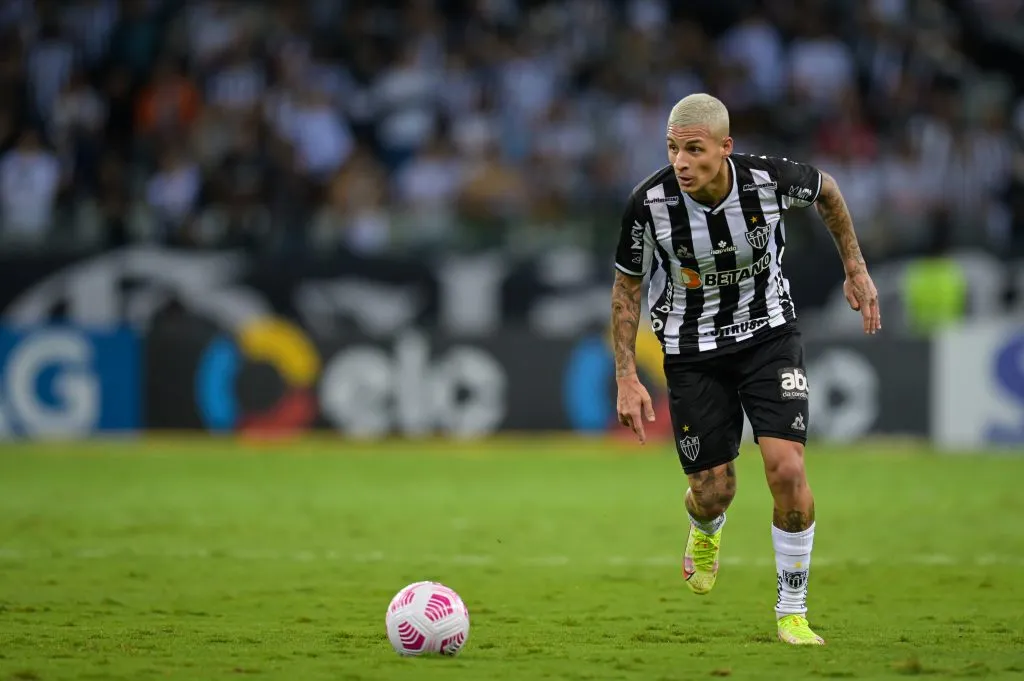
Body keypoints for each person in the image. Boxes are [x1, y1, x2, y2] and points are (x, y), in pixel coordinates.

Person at [610, 93, 880, 646]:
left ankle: (792, 611)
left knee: (786, 469)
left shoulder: (768, 180)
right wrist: (627, 377)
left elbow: (828, 190)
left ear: (725, 148)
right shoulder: (649, 204)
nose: (681, 162)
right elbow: (626, 289)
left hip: (769, 338)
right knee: (714, 490)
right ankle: (704, 528)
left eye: (694, 149)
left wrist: (855, 267)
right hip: (690, 350)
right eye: (672, 149)